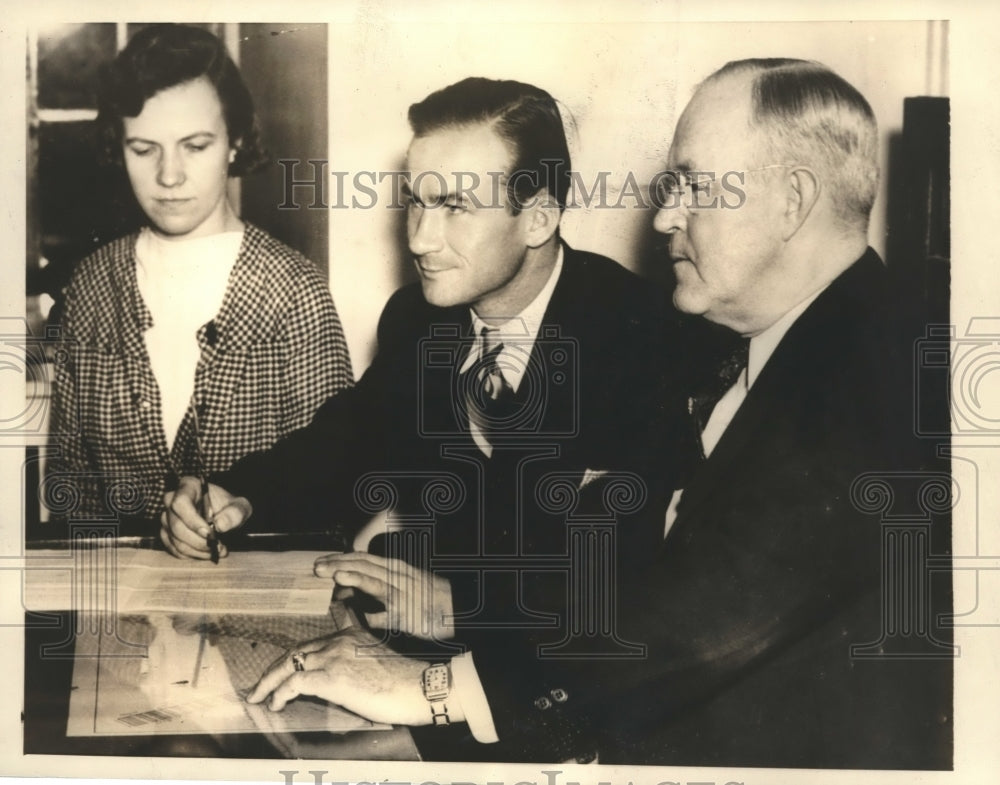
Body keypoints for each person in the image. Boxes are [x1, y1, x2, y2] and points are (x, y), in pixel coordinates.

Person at [246, 60, 952, 768]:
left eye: (693, 186)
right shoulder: (818, 343)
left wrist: (430, 684)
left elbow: (690, 621)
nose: (665, 215)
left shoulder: (862, 377)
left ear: (793, 200)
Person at [162, 77, 688, 760]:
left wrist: (461, 601)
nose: (418, 236)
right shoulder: (416, 320)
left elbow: (637, 570)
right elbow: (348, 437)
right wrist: (235, 491)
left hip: (576, 706)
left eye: (454, 206)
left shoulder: (639, 333)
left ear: (539, 216)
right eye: (415, 200)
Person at [46, 24, 352, 532]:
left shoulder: (294, 290)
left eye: (195, 146)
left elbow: (336, 485)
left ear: (234, 143)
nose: (169, 176)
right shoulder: (92, 286)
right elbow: (71, 491)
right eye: (143, 149)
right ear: (116, 147)